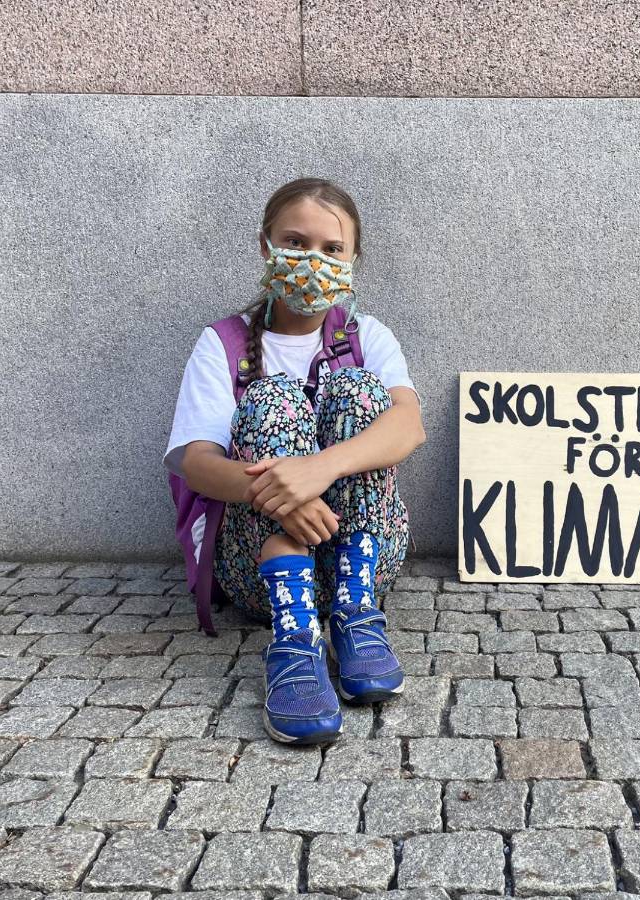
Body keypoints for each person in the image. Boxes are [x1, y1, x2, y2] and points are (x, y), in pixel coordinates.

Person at [162, 178, 427, 744]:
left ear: (354, 258)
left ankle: (357, 620)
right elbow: (196, 462)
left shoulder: (367, 336)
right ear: (266, 246)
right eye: (296, 242)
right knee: (272, 397)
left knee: (359, 392)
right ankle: (295, 639)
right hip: (261, 576)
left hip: (363, 563)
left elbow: (409, 424)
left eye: (332, 249)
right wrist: (285, 496)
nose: (314, 261)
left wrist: (320, 470)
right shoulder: (224, 344)